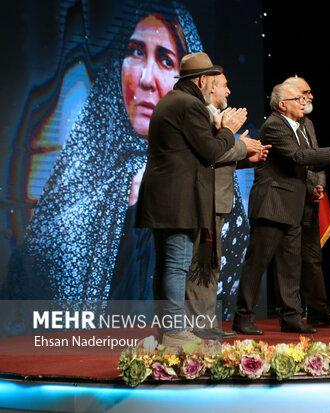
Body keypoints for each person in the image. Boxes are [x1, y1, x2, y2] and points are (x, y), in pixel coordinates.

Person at [6, 3, 204, 302]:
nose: (147, 79)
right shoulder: (73, 205)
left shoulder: (196, 176)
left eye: (165, 60)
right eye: (136, 52)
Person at [135, 52, 247, 346]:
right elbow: (210, 151)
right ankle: (174, 330)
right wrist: (229, 132)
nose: (212, 87)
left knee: (165, 265)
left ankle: (168, 327)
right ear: (201, 80)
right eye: (211, 81)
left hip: (164, 197)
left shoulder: (171, 101)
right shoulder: (190, 105)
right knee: (176, 265)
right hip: (178, 199)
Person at [232, 83, 330, 335]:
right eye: (297, 98)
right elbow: (299, 157)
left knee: (291, 264)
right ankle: (243, 316)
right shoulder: (275, 125)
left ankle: (291, 316)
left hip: (293, 207)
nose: (303, 102)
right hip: (272, 205)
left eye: (304, 98)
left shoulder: (300, 127)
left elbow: (307, 156)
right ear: (282, 105)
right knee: (257, 263)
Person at [185, 71, 269, 340]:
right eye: (225, 85)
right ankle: (198, 325)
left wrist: (246, 156)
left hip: (217, 200)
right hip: (202, 200)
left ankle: (206, 322)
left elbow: (219, 158)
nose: (228, 91)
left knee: (210, 264)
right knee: (201, 263)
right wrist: (241, 146)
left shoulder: (214, 116)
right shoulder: (201, 115)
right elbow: (210, 153)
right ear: (210, 88)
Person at [283, 76, 330, 326]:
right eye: (305, 93)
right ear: (288, 96)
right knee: (289, 260)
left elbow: (316, 157)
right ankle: (293, 313)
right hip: (289, 201)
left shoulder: (308, 123)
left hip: (310, 199)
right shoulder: (280, 125)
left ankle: (320, 311)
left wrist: (318, 185)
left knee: (313, 257)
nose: (310, 98)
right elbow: (299, 158)